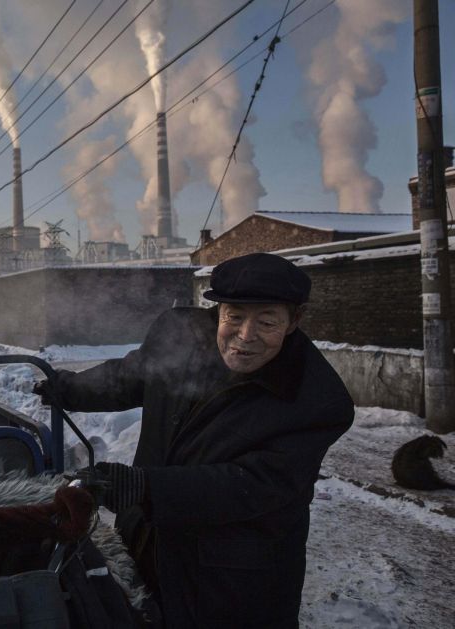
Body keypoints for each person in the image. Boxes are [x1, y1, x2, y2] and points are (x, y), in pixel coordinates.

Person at [34, 253, 354, 628]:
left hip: (230, 579)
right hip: (147, 544)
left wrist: (146, 487)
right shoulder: (182, 336)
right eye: (234, 316)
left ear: (294, 320)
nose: (245, 336)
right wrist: (66, 389)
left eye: (267, 322)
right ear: (217, 310)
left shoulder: (314, 400)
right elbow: (130, 376)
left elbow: (253, 485)